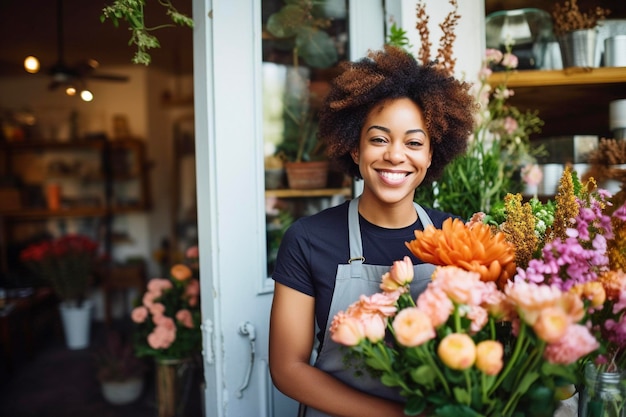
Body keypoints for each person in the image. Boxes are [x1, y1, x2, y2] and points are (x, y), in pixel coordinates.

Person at [269, 45, 476, 417]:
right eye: (379, 139)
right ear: (354, 148)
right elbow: (288, 369)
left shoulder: (456, 236)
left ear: (431, 154)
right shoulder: (307, 239)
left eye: (414, 143)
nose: (395, 155)